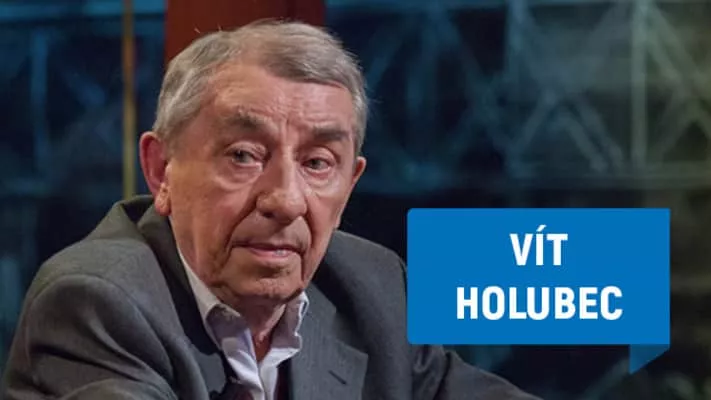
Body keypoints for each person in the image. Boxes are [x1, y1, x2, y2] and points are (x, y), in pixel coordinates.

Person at [1, 20, 540, 400]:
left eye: (318, 163)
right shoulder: (96, 302)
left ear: (350, 185)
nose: (285, 199)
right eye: (244, 155)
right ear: (162, 170)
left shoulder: (372, 288)